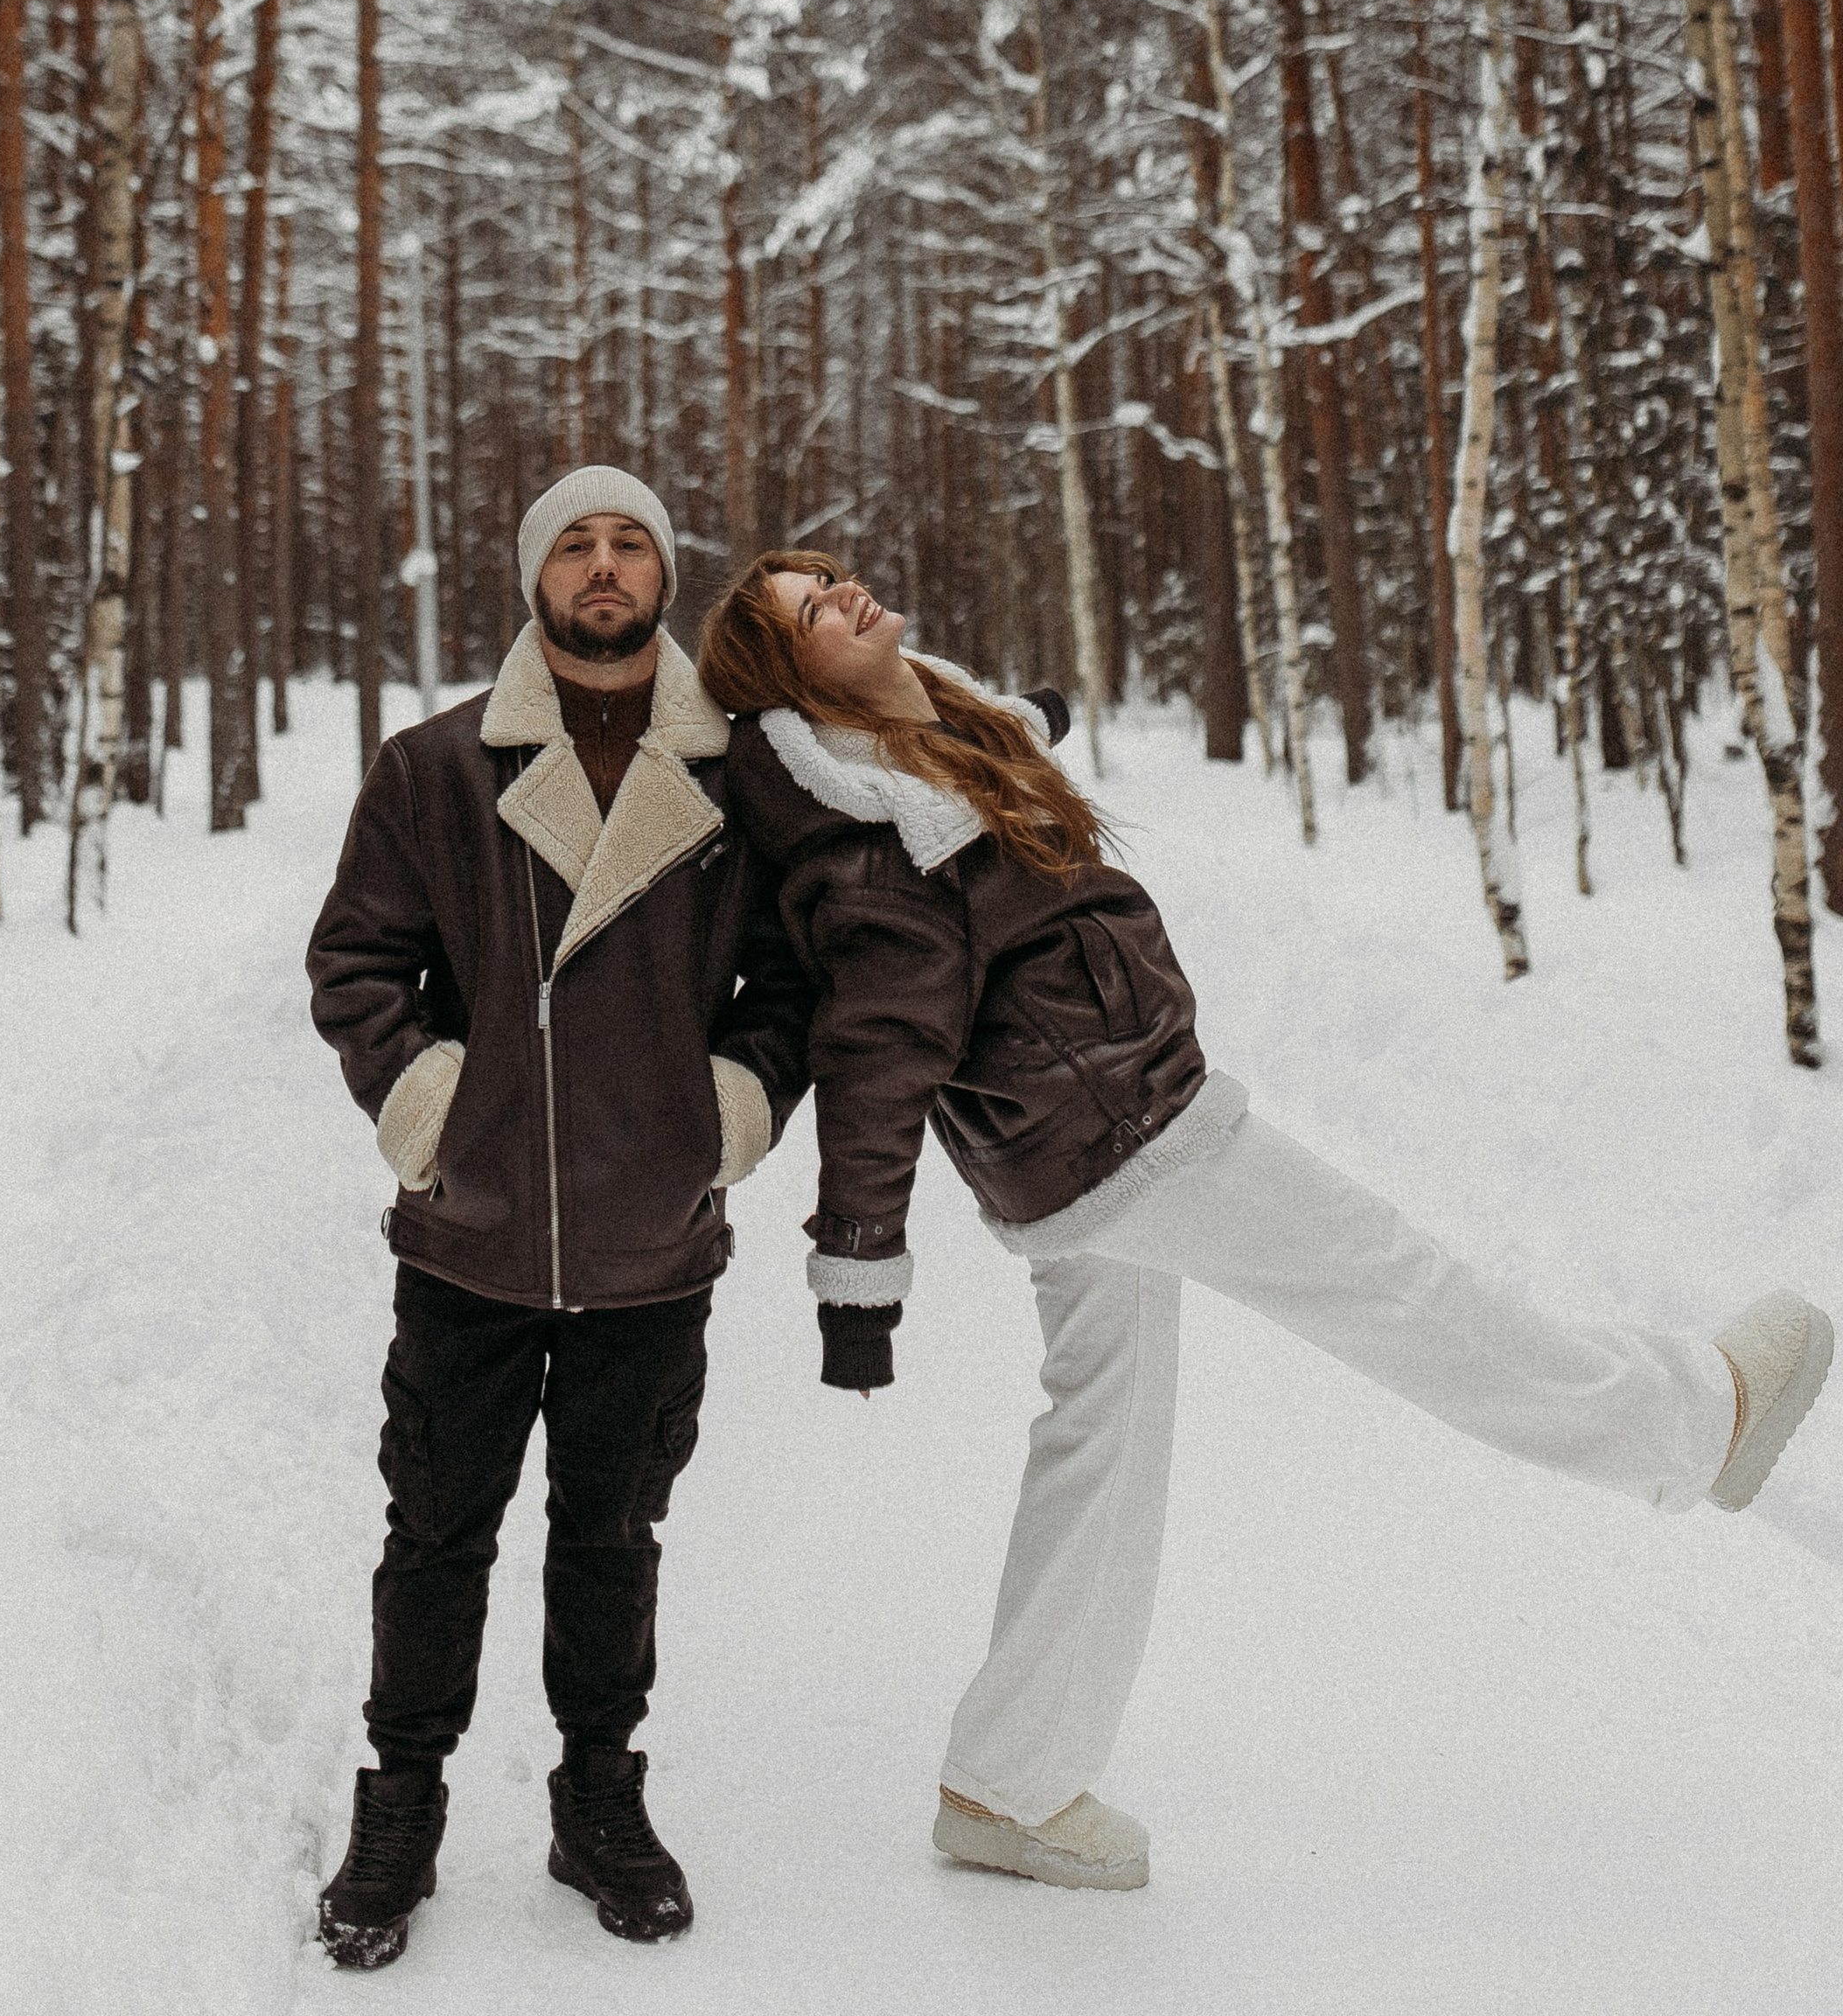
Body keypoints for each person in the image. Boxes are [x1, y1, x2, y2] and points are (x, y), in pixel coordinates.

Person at [697, 546, 1834, 1898]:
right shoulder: (868, 833)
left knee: (1100, 1447)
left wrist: (1033, 727)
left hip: (1079, 1150)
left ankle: (1010, 1778)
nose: (845, 594)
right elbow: (878, 1048)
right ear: (790, 686)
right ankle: (1688, 1422)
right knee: (1404, 1293)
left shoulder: (926, 736)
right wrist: (859, 1269)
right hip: (1129, 1133)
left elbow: (994, 788)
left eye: (833, 575)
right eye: (810, 612)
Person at [305, 471, 808, 1970]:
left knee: (613, 1534)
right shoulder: (435, 769)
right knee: (435, 1530)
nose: (604, 566)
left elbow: (792, 987)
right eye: (576, 545)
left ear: (668, 577)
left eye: (630, 543)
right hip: (475, 1227)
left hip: (652, 1235)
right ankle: (401, 1803)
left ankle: (599, 1799)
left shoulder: (742, 780)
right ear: (534, 579)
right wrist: (428, 1113)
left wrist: (729, 1115)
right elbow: (354, 966)